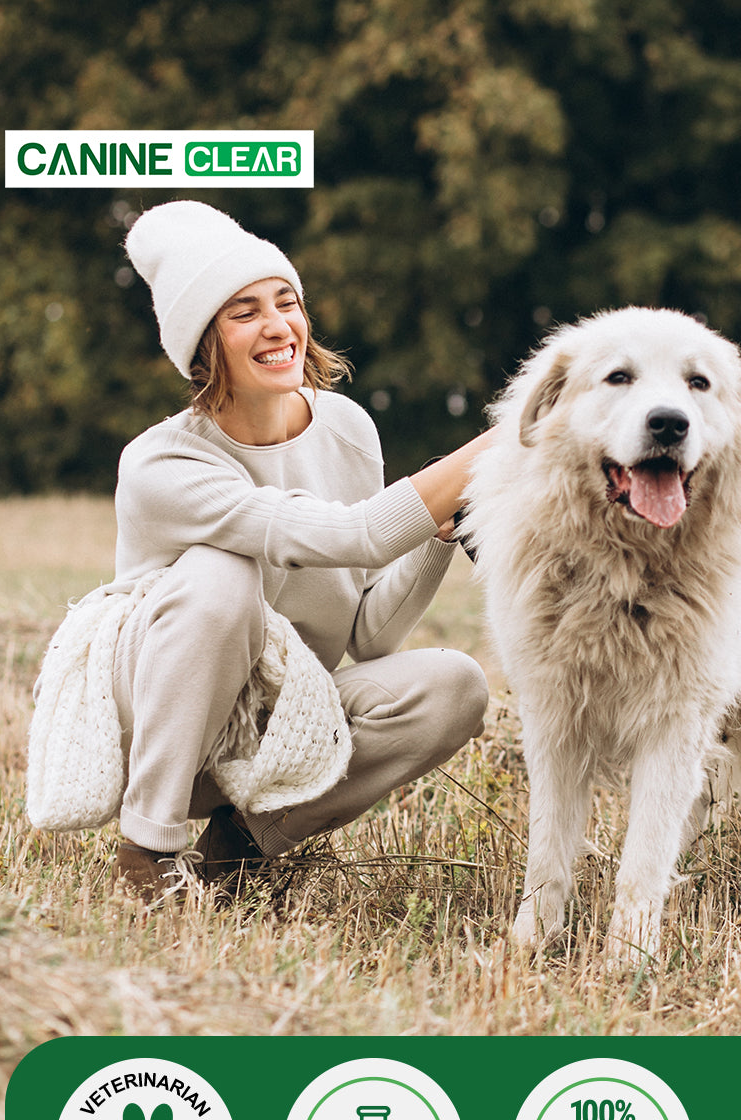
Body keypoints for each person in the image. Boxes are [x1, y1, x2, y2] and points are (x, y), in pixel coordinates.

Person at [90, 199, 492, 899]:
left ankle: (239, 846)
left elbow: (368, 634)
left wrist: (436, 535)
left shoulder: (346, 429)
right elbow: (353, 534)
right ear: (203, 342)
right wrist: (509, 433)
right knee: (221, 573)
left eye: (287, 301)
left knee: (456, 684)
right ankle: (147, 848)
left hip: (282, 725)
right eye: (244, 311)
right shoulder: (164, 465)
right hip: (163, 738)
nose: (279, 327)